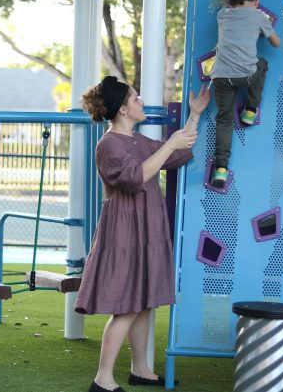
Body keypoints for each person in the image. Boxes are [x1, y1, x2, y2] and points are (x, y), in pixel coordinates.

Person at [74, 75, 210, 392]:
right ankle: (102, 379)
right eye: (136, 98)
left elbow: (177, 152)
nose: (141, 102)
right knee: (128, 304)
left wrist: (195, 114)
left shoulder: (137, 141)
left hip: (147, 226)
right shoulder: (108, 144)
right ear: (122, 109)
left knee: (145, 300)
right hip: (124, 230)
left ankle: (141, 370)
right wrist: (171, 144)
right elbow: (135, 177)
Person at [209, 0, 280, 187]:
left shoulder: (222, 15)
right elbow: (276, 43)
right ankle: (250, 110)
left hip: (221, 77)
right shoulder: (258, 16)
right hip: (245, 76)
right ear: (257, 1)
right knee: (262, 63)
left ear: (230, 1)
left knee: (224, 120)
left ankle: (221, 169)